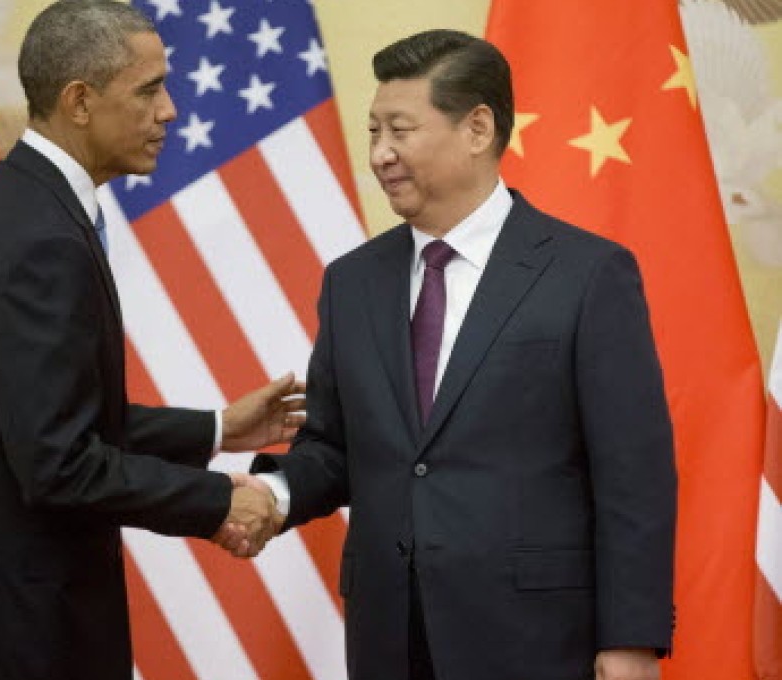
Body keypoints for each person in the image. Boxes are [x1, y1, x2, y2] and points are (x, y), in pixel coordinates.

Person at [0, 3, 293, 679]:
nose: (170, 110)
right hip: (6, 627)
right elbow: (57, 463)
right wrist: (217, 500)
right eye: (148, 89)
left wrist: (214, 429)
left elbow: (32, 423)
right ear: (80, 102)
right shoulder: (45, 242)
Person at [245, 29, 677, 680]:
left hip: (536, 639)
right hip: (391, 637)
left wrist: (632, 640)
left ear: (477, 129)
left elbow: (633, 475)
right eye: (372, 132)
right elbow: (333, 450)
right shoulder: (351, 281)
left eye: (400, 130)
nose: (380, 154)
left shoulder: (588, 274)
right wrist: (269, 495)